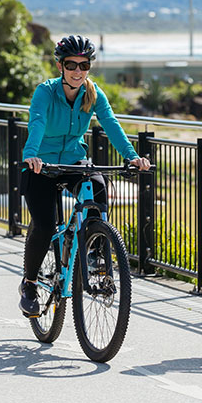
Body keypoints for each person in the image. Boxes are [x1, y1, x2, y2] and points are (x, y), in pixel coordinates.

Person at [19, 35, 150, 316]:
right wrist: (31, 154)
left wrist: (131, 157)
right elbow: (37, 121)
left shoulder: (93, 93)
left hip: (74, 161)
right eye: (71, 65)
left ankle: (95, 250)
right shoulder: (46, 92)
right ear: (60, 66)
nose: (78, 71)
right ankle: (29, 284)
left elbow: (111, 123)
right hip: (40, 166)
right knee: (44, 226)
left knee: (98, 184)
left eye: (84, 65)